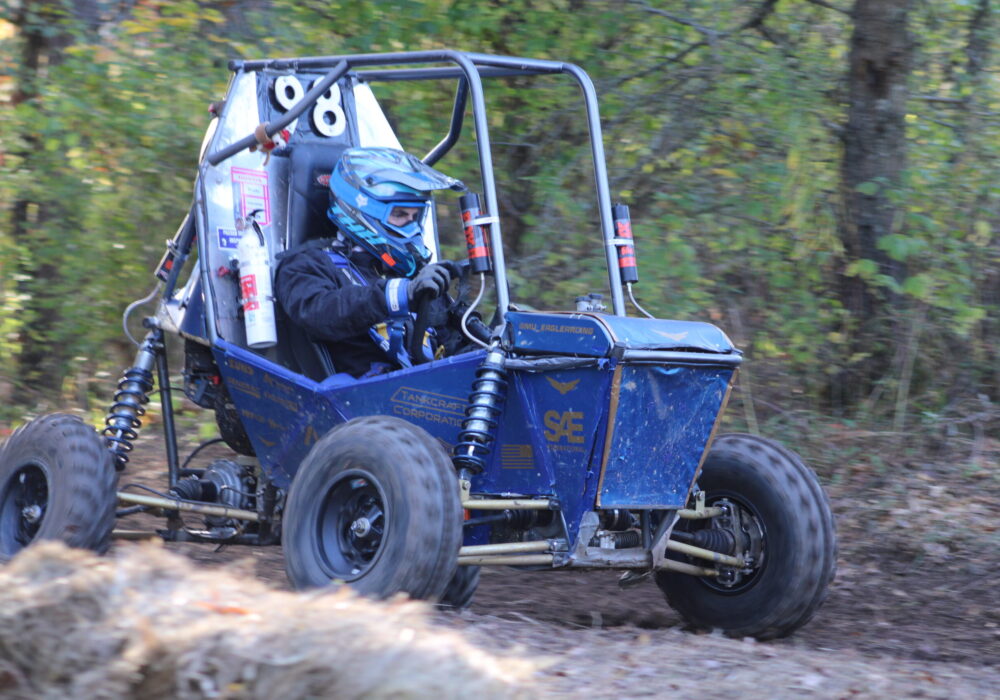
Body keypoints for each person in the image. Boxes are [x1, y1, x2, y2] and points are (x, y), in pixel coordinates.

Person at [274, 147, 485, 377]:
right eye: (400, 215)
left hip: (431, 394)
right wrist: (399, 295)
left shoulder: (410, 274)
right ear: (361, 210)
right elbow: (318, 312)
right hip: (360, 400)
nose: (411, 227)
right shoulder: (306, 264)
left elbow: (451, 344)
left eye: (416, 217)